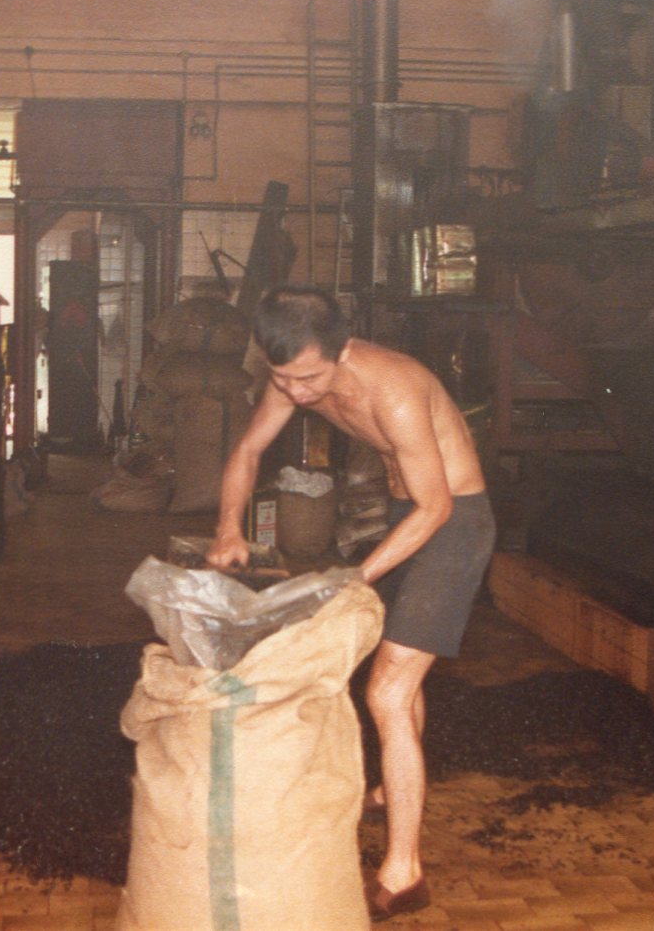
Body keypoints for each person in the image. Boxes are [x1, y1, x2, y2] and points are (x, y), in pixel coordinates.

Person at [205, 284, 494, 921]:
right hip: (405, 514)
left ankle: (405, 872)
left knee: (387, 690)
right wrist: (230, 526)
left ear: (344, 349)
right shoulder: (290, 377)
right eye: (284, 378)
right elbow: (250, 451)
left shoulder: (393, 386)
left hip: (453, 523)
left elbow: (438, 506)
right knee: (399, 679)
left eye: (309, 378)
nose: (298, 393)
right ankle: (396, 786)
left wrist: (354, 576)